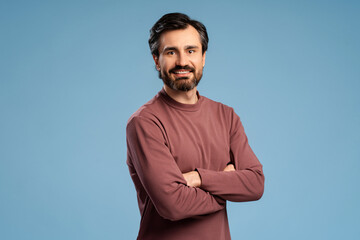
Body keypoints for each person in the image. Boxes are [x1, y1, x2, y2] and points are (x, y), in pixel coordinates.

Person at [126, 12, 264, 240]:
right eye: (171, 52)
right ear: (156, 60)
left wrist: (199, 178)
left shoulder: (226, 115)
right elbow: (173, 204)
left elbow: (255, 184)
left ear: (203, 57)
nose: (182, 61)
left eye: (191, 50)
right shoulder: (144, 122)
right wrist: (225, 187)